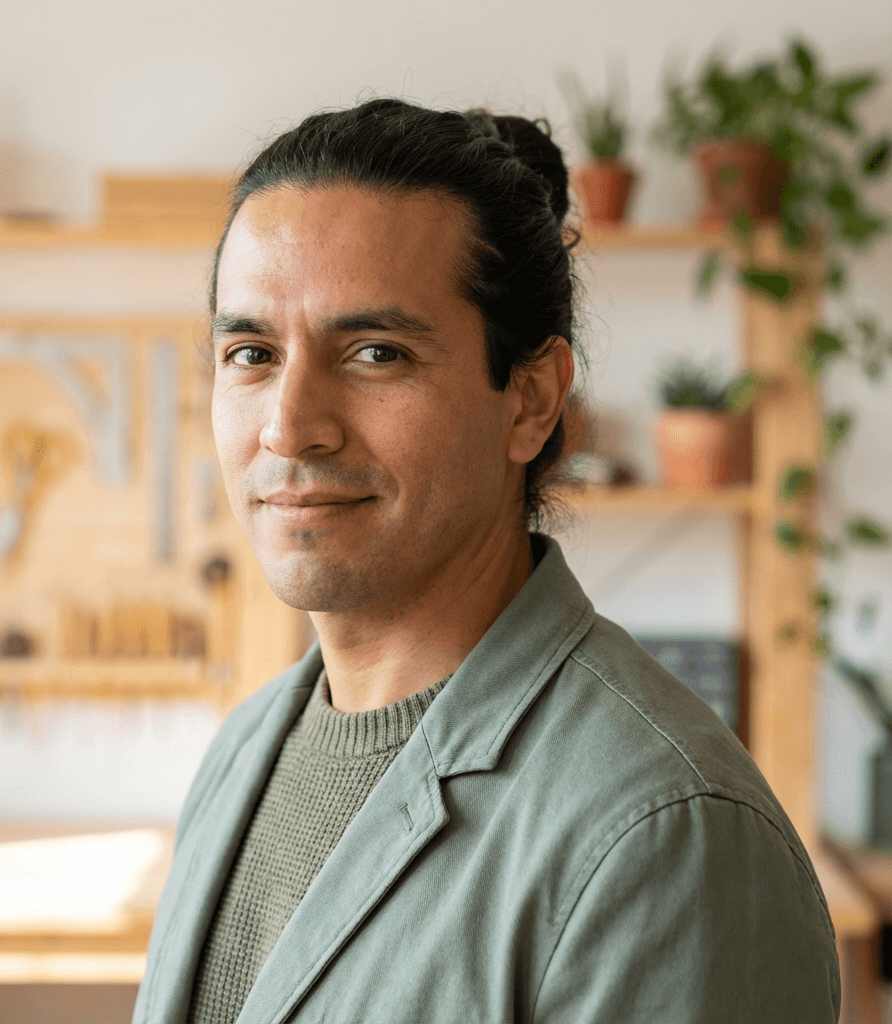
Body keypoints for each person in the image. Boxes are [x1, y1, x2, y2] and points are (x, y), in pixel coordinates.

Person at [133, 98, 840, 1024]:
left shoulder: (667, 832)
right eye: (252, 352)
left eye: (376, 352)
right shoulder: (243, 751)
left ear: (532, 400)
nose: (289, 427)